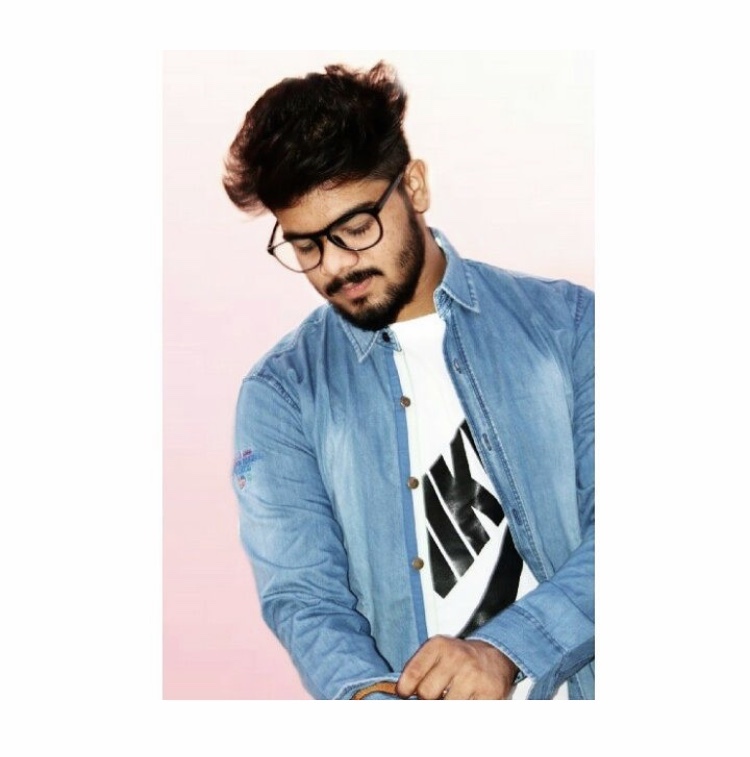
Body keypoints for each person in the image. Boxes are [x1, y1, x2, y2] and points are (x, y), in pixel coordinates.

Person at [224, 61, 594, 700]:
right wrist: (365, 694)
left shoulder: (570, 326)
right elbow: (302, 594)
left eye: (355, 229)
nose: (336, 266)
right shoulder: (282, 393)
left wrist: (509, 649)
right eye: (306, 246)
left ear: (414, 186)